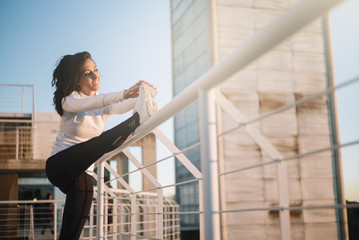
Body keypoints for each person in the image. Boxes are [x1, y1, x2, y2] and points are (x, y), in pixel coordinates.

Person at [45, 51, 157, 240]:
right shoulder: (69, 101)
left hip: (82, 174)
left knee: (71, 234)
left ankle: (137, 118)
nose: (95, 75)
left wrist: (143, 94)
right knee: (97, 144)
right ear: (76, 79)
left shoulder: (103, 103)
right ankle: (135, 121)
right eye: (87, 73)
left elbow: (121, 104)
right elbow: (94, 102)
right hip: (60, 166)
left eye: (95, 69)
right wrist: (124, 93)